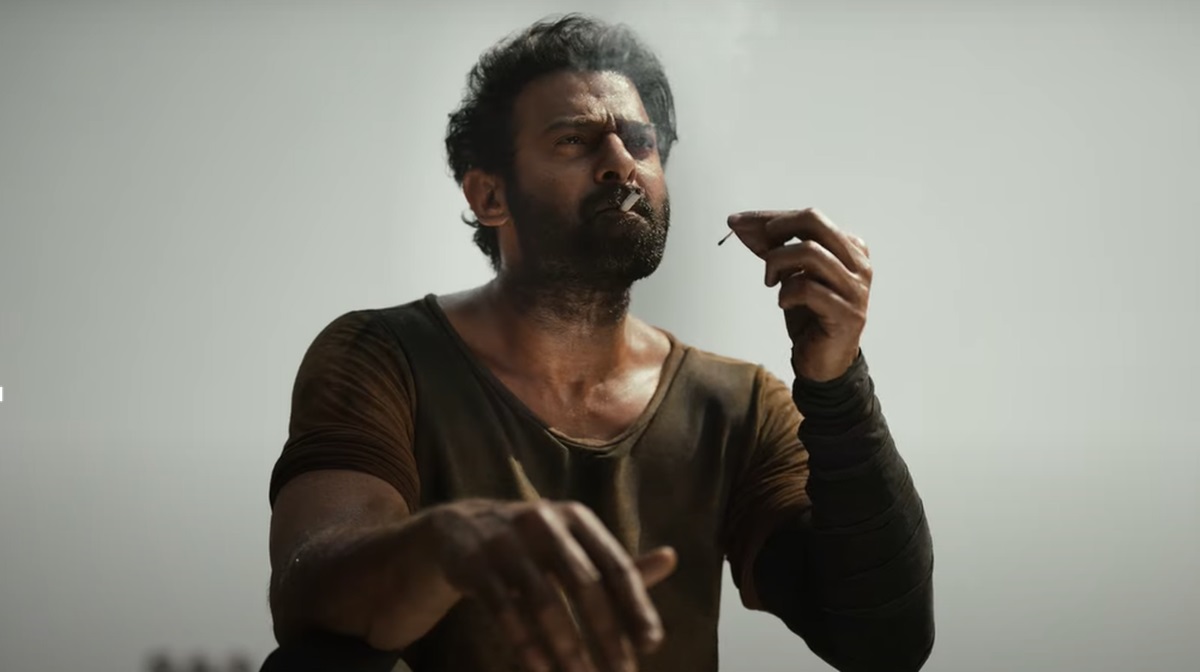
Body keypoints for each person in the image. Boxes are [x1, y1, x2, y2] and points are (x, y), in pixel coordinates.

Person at [260, 13, 934, 672]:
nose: (621, 165)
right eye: (574, 141)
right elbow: (309, 596)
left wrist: (837, 381)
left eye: (640, 142)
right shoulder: (383, 358)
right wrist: (444, 545)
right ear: (490, 195)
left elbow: (882, 641)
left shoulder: (738, 405)